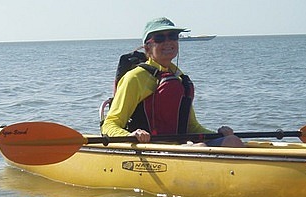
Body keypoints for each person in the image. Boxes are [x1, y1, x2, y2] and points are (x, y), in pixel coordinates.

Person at [101, 17, 243, 147]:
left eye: (173, 36)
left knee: (232, 140)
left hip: (180, 148)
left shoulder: (180, 78)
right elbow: (109, 125)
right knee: (200, 148)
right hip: (151, 149)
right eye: (160, 38)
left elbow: (192, 127)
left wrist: (218, 134)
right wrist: (131, 135)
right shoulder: (135, 78)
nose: (168, 42)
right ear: (147, 47)